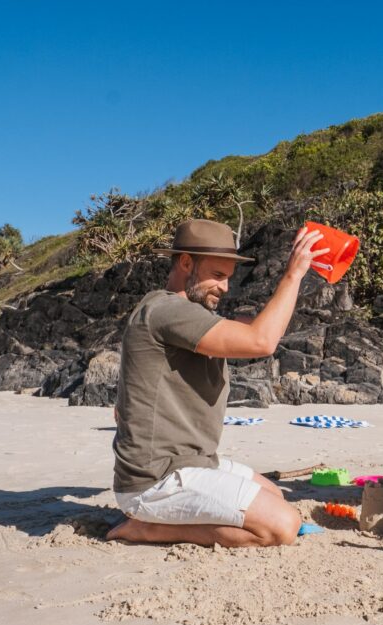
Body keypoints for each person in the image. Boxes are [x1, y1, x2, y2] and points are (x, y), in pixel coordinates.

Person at [106, 219, 328, 547]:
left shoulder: (191, 317)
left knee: (274, 496)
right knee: (282, 525)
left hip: (192, 463)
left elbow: (264, 329)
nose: (225, 288)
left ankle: (154, 518)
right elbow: (261, 341)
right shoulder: (166, 310)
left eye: (228, 278)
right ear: (185, 262)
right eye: (218, 275)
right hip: (156, 479)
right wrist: (293, 274)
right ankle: (146, 528)